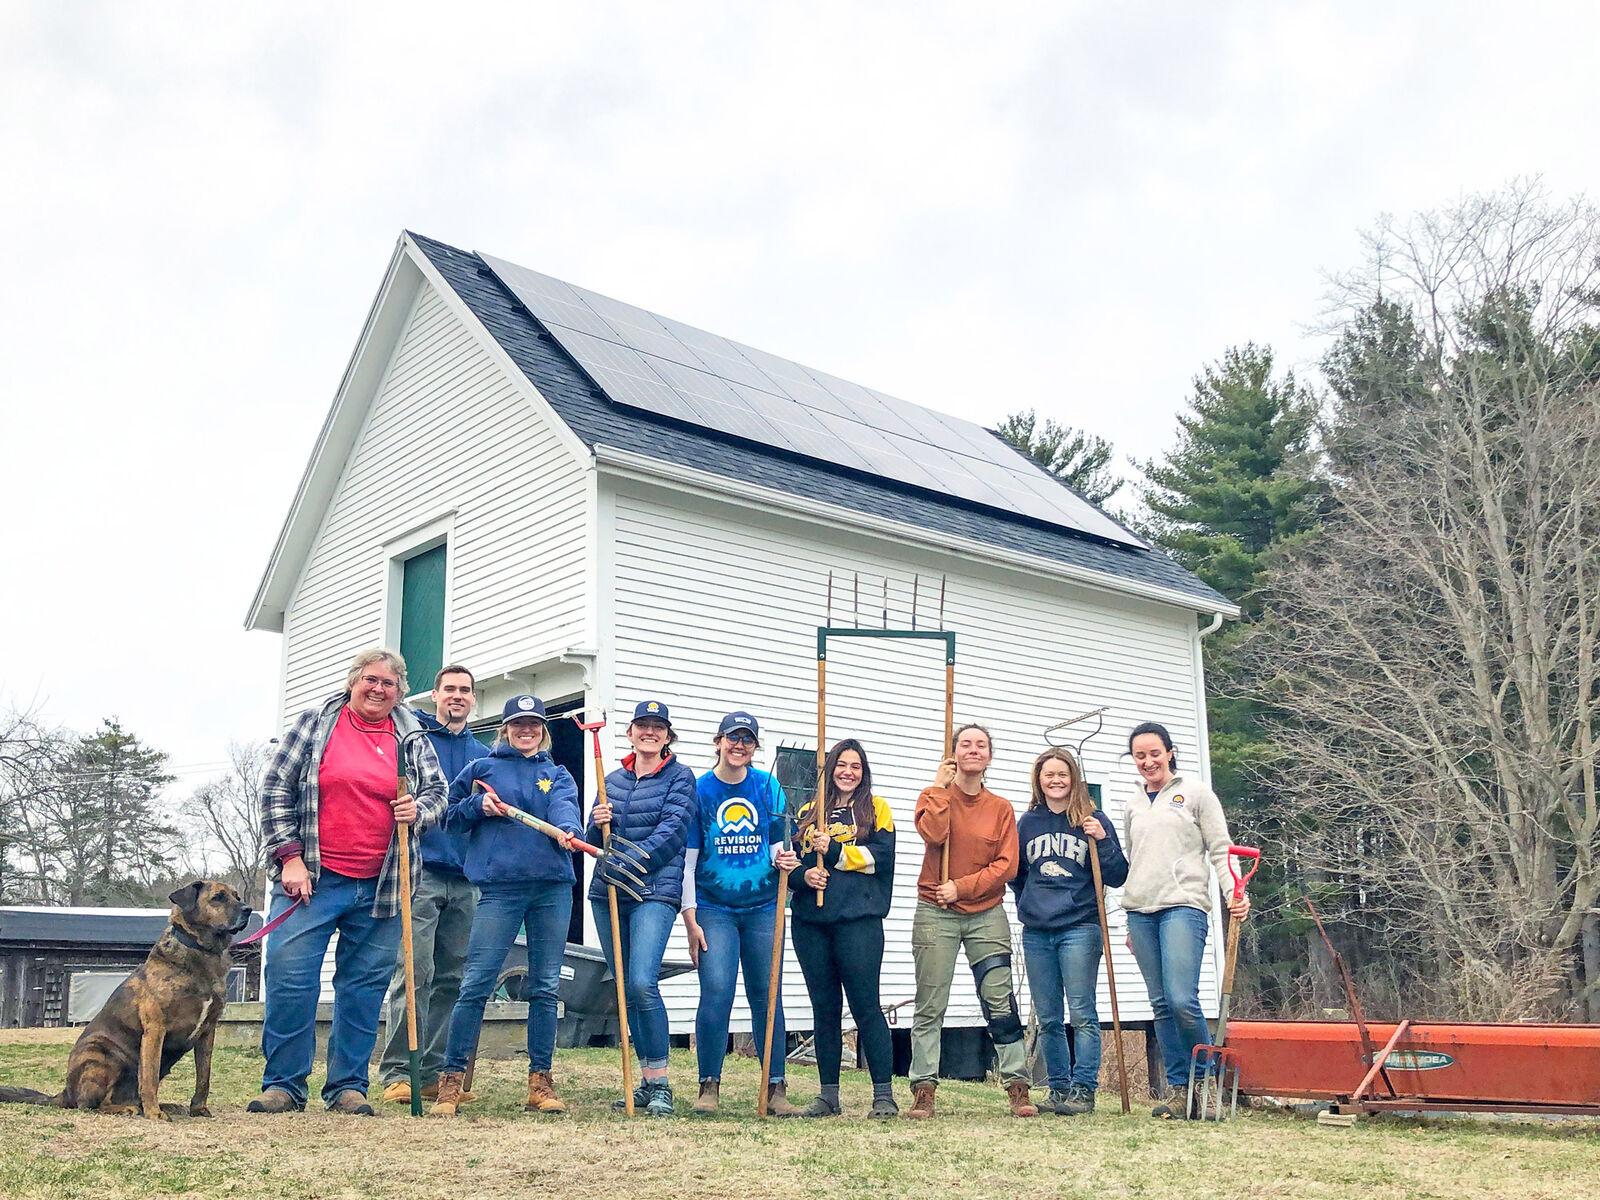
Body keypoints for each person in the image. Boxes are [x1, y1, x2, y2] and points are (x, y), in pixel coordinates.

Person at [251, 647, 448, 1115]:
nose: (379, 689)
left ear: (400, 691)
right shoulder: (316, 723)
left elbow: (439, 792)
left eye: (390, 683)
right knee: (290, 979)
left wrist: (418, 810)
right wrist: (288, 858)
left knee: (363, 987)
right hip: (312, 877)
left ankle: (347, 1086)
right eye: (371, 680)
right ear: (352, 681)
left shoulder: (411, 733)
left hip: (383, 883)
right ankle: (283, 1085)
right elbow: (276, 786)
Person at [430, 695, 582, 1117]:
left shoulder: (557, 773)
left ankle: (541, 1080)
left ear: (543, 729)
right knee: (475, 983)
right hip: (499, 889)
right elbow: (448, 814)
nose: (526, 731)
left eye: (534, 724)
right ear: (506, 728)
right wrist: (478, 806)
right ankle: (451, 1081)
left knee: (546, 986)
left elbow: (565, 808)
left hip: (551, 888)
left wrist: (567, 829)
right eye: (518, 724)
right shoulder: (481, 770)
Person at [1121, 721, 1249, 1119]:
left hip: (1183, 906)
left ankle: (1205, 1084)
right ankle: (1180, 1091)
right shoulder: (1133, 803)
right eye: (1140, 755)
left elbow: (1220, 850)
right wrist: (1124, 918)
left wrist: (1235, 894)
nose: (1148, 761)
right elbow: (1133, 861)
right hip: (1140, 912)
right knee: (1160, 1004)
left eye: (1154, 753)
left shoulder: (1195, 794)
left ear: (1169, 752)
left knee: (1181, 999)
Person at [908, 723, 1037, 1119]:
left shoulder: (1000, 809)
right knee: (931, 1003)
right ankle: (924, 1088)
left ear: (989, 756)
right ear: (954, 753)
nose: (973, 750)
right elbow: (933, 834)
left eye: (981, 745)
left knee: (999, 999)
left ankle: (1017, 1085)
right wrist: (937, 787)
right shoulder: (934, 796)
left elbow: (1007, 865)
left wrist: (961, 888)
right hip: (935, 913)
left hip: (985, 913)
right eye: (966, 744)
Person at [680, 711, 801, 1116]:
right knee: (717, 990)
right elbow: (689, 859)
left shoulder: (768, 787)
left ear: (754, 747)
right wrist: (689, 915)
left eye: (747, 740)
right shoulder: (700, 791)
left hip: (765, 905)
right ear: (718, 741)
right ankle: (708, 1085)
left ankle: (775, 1087)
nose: (739, 746)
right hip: (715, 907)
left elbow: (777, 843)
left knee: (767, 995)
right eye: (733, 738)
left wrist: (785, 858)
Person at [378, 664, 489, 1106]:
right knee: (413, 972)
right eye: (449, 690)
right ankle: (399, 1073)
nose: (457, 697)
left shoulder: (485, 754)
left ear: (474, 699)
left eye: (465, 691)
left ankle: (440, 1073)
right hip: (420, 872)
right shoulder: (414, 744)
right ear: (435, 695)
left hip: (468, 880)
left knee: (454, 979)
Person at [586, 699, 697, 1117]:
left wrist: (627, 860)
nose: (649, 733)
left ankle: (661, 1082)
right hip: (609, 892)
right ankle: (645, 1084)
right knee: (623, 986)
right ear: (631, 733)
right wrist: (596, 822)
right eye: (642, 726)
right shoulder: (611, 779)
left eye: (658, 727)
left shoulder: (680, 777)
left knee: (641, 982)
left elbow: (672, 833)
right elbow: (593, 843)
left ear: (668, 736)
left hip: (654, 891)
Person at [1012, 747, 1128, 1116]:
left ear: (1074, 779)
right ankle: (1058, 1089)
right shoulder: (1028, 823)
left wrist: (1103, 840)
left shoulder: (1092, 819)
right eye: (1049, 774)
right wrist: (1030, 902)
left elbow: (1117, 874)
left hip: (1080, 927)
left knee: (1082, 1012)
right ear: (1039, 780)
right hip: (1037, 931)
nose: (1056, 780)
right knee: (1048, 1016)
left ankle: (1084, 1090)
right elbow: (1017, 875)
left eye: (1063, 774)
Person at [786, 738, 898, 1118]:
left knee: (865, 1005)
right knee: (824, 1007)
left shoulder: (877, 810)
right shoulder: (809, 810)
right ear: (830, 767)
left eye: (856, 766)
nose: (848, 772)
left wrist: (832, 852)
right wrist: (806, 876)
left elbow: (879, 860)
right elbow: (792, 867)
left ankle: (883, 1094)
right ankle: (828, 1095)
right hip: (811, 923)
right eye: (842, 765)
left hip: (858, 922)